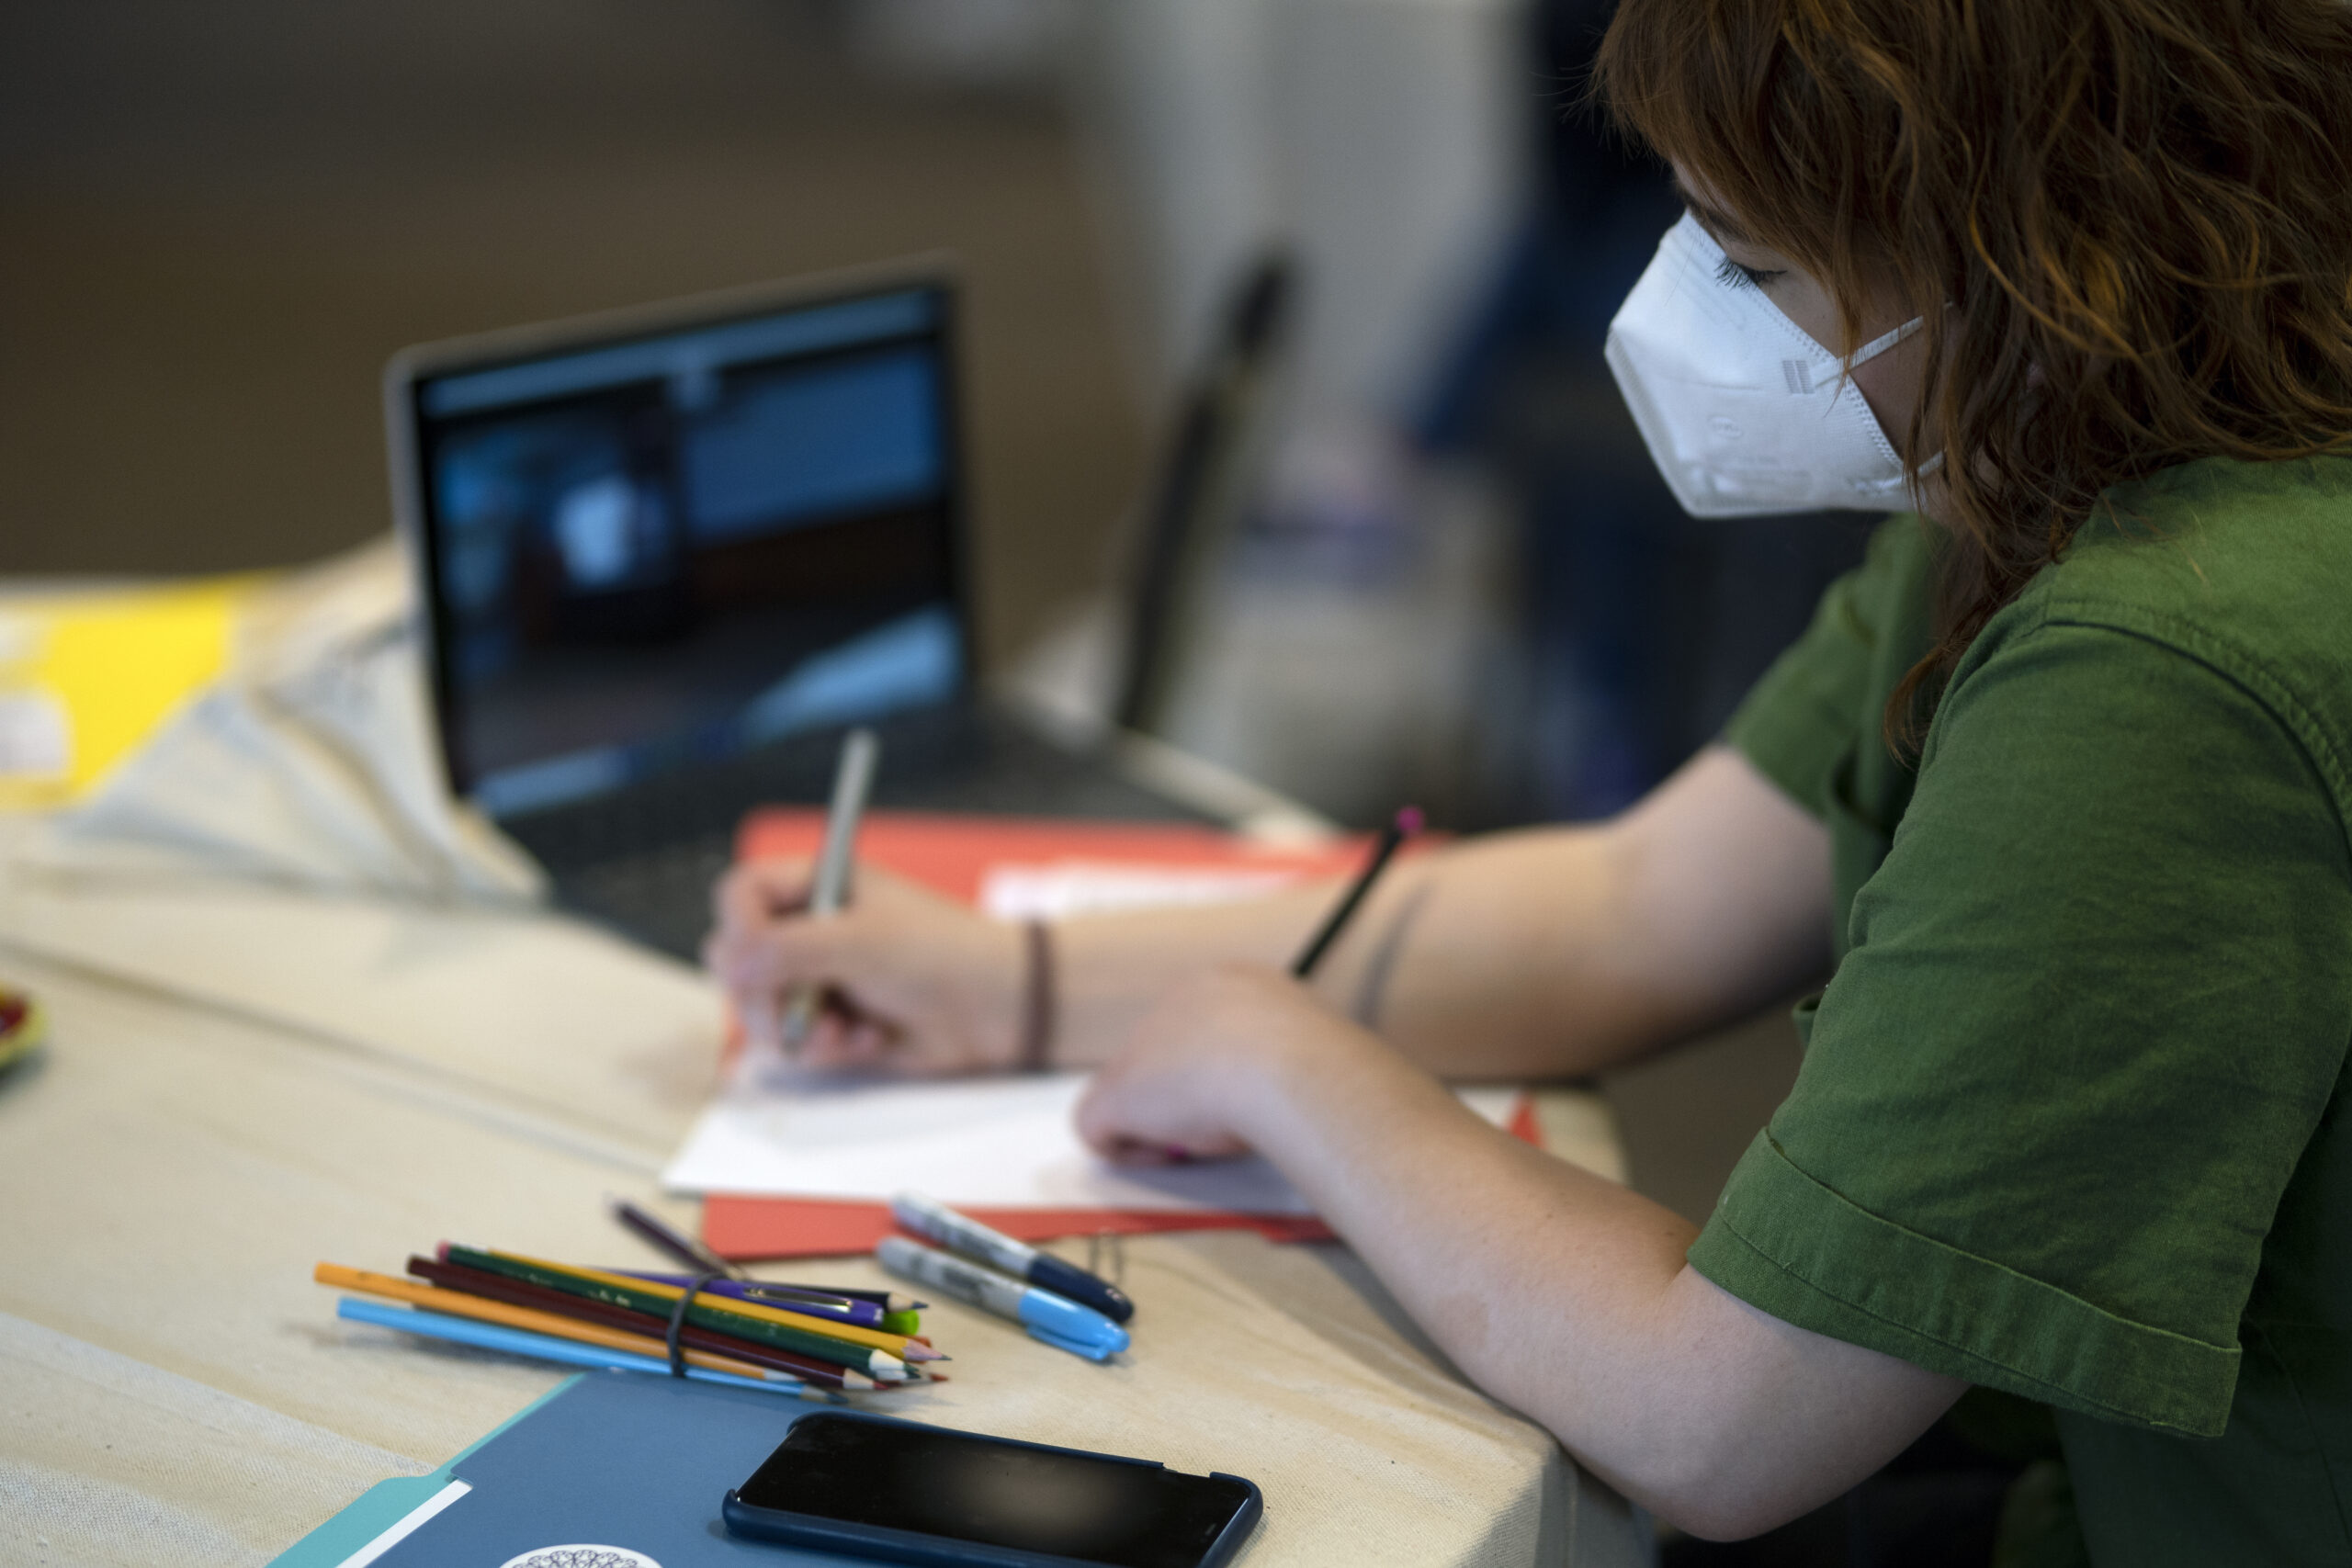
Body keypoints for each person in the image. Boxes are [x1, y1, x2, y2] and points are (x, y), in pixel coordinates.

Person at [705, 0, 2352, 1559]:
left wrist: (1293, 1068)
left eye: (1759, 261)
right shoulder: (2097, 447)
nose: (1693, 307)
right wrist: (1012, 977)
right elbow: (1636, 908)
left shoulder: (2157, 662)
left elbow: (1719, 1425)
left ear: (2026, 260)